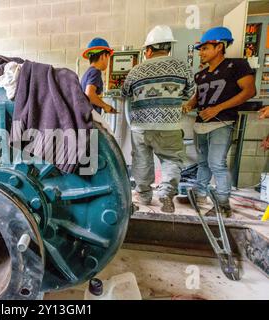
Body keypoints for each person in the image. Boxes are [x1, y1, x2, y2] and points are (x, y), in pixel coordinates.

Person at [183, 26, 256, 217]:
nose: (202, 53)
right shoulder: (200, 75)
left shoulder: (237, 66)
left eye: (205, 48)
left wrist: (218, 108)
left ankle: (223, 205)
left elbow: (249, 91)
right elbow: (199, 96)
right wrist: (189, 104)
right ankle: (199, 196)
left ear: (219, 47)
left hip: (222, 123)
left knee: (217, 163)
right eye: (201, 49)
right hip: (201, 124)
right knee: (203, 162)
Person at [121, 25, 195, 213]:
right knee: (171, 159)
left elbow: (125, 93)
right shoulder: (181, 66)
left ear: (148, 50)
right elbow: (191, 93)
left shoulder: (136, 71)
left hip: (140, 126)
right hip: (169, 125)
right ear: (168, 47)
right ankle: (166, 194)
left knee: (142, 161)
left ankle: (144, 196)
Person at [81, 38, 117, 114]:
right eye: (108, 57)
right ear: (103, 56)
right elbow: (89, 94)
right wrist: (105, 106)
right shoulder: (95, 72)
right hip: (91, 119)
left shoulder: (87, 73)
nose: (108, 61)